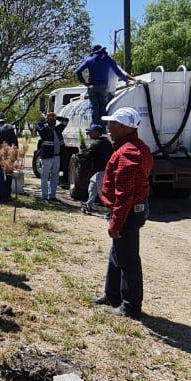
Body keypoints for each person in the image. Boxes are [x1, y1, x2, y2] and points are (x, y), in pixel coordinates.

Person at [93, 107, 153, 319]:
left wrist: (116, 223)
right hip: (130, 211)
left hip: (127, 213)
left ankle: (130, 306)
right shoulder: (137, 147)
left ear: (124, 127)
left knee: (128, 259)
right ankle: (112, 295)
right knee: (116, 255)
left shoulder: (128, 153)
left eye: (113, 124)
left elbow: (125, 195)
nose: (108, 128)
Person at [76, 44, 136, 125]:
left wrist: (84, 82)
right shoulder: (108, 59)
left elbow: (78, 71)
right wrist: (126, 80)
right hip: (103, 87)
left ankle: (94, 126)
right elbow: (118, 72)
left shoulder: (89, 60)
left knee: (94, 108)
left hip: (92, 86)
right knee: (103, 108)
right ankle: (102, 127)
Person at [80, 122, 113, 215]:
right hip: (102, 171)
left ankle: (110, 211)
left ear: (97, 133)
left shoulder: (98, 143)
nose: (89, 134)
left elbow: (88, 155)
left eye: (91, 132)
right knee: (92, 186)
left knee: (102, 192)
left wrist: (83, 151)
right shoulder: (106, 142)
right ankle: (88, 206)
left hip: (102, 171)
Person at [36, 111, 67, 203]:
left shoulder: (57, 129)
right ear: (47, 120)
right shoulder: (44, 130)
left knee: (55, 177)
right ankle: (44, 196)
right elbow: (38, 125)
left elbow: (65, 121)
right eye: (51, 119)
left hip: (57, 157)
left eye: (53, 119)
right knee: (45, 177)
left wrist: (56, 117)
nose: (52, 121)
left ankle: (52, 196)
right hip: (47, 157)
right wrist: (46, 119)